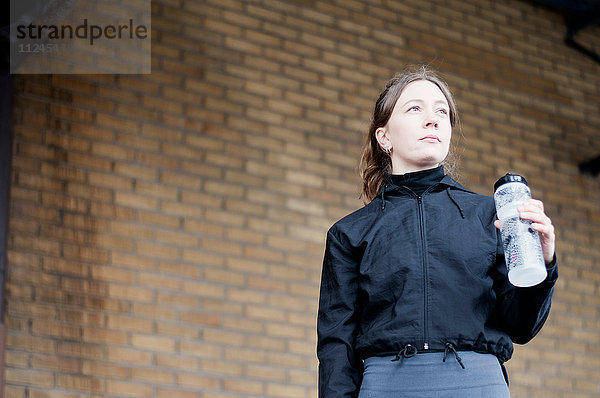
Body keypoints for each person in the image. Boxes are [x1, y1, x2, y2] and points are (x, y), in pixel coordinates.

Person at [316, 66, 557, 397]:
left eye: (441, 111)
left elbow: (522, 325)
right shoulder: (349, 233)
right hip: (387, 386)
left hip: (478, 384)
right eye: (415, 108)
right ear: (383, 136)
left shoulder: (493, 215)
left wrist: (543, 263)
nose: (432, 119)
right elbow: (336, 344)